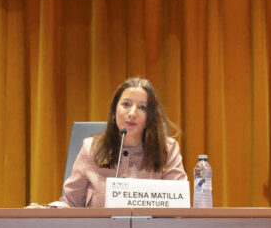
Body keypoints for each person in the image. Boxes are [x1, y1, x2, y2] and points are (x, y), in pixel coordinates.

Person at [40, 77, 187, 208]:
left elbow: (179, 205)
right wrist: (46, 209)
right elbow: (71, 203)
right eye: (126, 104)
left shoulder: (167, 149)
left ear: (151, 117)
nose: (132, 113)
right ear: (114, 110)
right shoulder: (91, 148)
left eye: (142, 107)